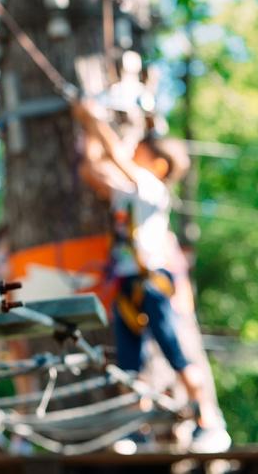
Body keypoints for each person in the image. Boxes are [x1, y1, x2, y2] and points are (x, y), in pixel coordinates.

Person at [72, 100, 230, 453]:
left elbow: (115, 157)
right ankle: (135, 429)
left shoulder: (150, 188)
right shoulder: (128, 192)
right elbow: (92, 169)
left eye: (138, 151)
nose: (129, 152)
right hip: (128, 283)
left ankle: (208, 420)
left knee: (174, 350)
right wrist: (86, 128)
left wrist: (94, 119)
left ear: (158, 164)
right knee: (129, 360)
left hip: (151, 281)